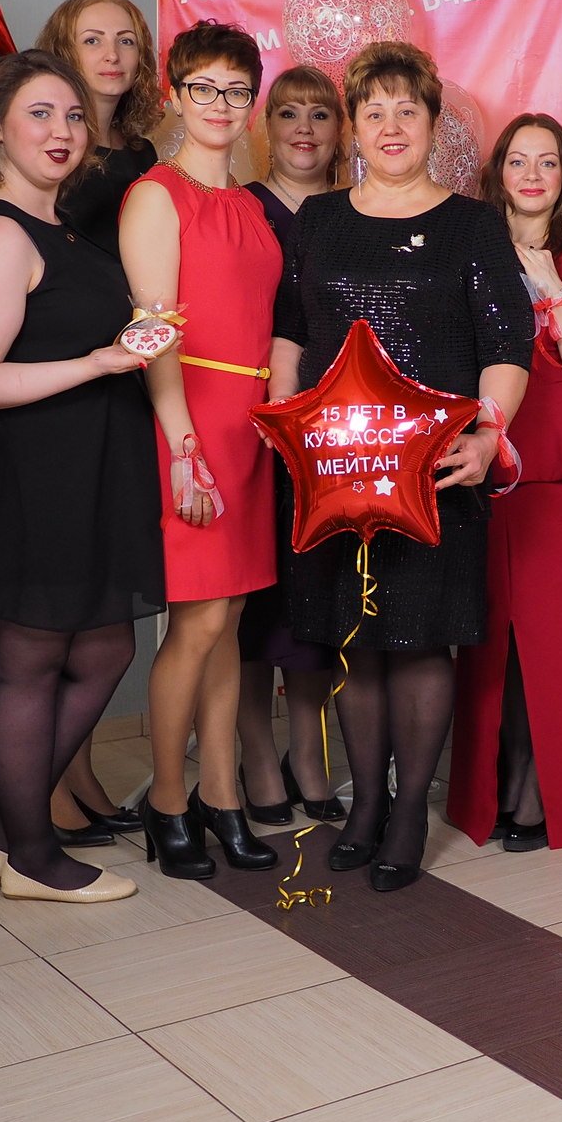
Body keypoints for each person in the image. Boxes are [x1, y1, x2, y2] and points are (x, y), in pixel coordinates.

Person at [273, 42, 531, 891]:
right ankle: (366, 807)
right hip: (334, 474)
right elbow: (290, 332)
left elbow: (507, 343)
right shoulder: (319, 219)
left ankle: (411, 811)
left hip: (435, 472)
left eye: (406, 111)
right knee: (357, 642)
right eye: (373, 111)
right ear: (353, 126)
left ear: (432, 124)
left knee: (419, 643)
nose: (390, 126)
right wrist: (283, 423)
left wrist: (488, 436)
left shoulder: (472, 224)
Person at [0, 50, 164, 904]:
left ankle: (8, 836)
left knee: (103, 647)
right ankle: (32, 856)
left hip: (79, 471)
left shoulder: (55, 227)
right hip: (27, 475)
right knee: (31, 663)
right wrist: (96, 363)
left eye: (73, 116)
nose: (62, 131)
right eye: (40, 114)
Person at [119, 23, 282, 878]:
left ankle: (223, 797)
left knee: (232, 624)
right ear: (174, 95)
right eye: (203, 87)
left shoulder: (252, 204)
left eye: (235, 89)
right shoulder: (156, 195)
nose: (220, 104)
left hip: (252, 421)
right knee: (199, 621)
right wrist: (183, 446)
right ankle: (167, 799)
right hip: (190, 415)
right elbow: (154, 335)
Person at [449, 114, 562, 850]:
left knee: (558, 637)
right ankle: (490, 787)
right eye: (517, 160)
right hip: (482, 455)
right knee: (489, 632)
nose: (531, 174)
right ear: (497, 174)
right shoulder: (469, 249)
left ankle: (545, 792)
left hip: (559, 459)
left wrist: (552, 291)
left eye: (547, 162)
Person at [237, 66, 349, 826]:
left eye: (319, 114)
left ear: (341, 131)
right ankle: (254, 754)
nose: (304, 128)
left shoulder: (352, 212)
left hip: (331, 435)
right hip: (246, 426)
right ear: (265, 128)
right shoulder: (241, 208)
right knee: (249, 603)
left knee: (317, 597)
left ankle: (308, 754)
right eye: (288, 113)